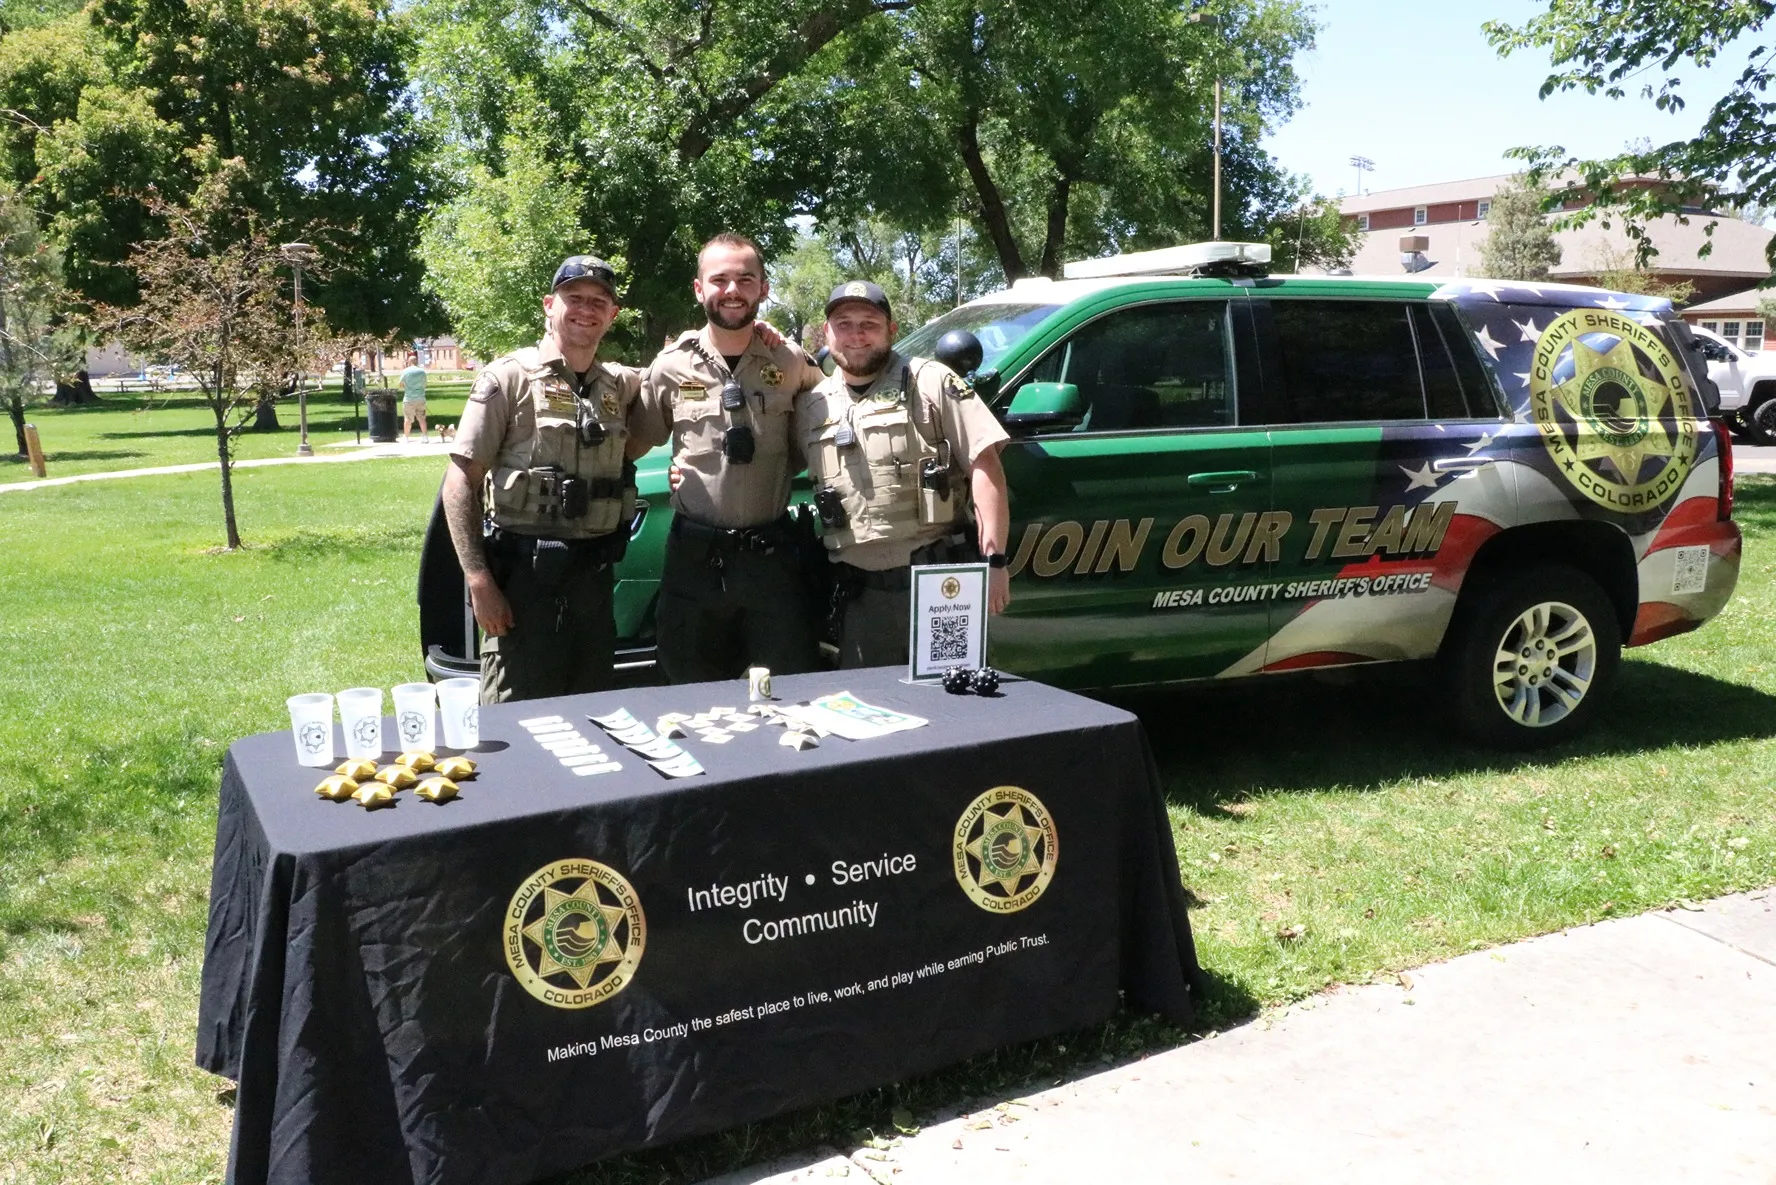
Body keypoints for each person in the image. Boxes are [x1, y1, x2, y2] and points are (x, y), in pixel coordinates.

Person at [441, 256, 647, 704]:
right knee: (515, 719)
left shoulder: (619, 385)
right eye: (574, 298)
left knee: (593, 714)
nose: (586, 310)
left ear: (612, 315)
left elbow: (681, 373)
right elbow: (459, 482)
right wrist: (479, 581)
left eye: (599, 302)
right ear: (549, 305)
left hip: (593, 584)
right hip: (522, 586)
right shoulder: (508, 378)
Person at [632, 233, 827, 683]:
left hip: (772, 559)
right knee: (690, 691)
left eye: (745, 278)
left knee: (790, 689)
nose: (733, 290)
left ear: (763, 287)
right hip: (696, 560)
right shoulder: (669, 367)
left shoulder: (792, 361)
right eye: (719, 279)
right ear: (699, 290)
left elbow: (835, 413)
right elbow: (633, 444)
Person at [796, 280, 1013, 668]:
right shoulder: (812, 406)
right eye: (844, 324)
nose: (857, 334)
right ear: (826, 333)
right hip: (859, 597)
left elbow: (986, 464)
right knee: (872, 712)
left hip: (939, 586)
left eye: (870, 323)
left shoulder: (930, 382)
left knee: (955, 705)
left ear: (892, 330)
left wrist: (995, 562)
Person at [400, 355, 428, 441]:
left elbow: (401, 384)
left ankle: (406, 437)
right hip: (420, 398)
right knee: (422, 418)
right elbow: (425, 384)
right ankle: (425, 436)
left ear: (409, 362)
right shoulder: (422, 372)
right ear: (417, 361)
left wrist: (407, 386)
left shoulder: (405, 371)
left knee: (408, 419)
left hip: (409, 398)